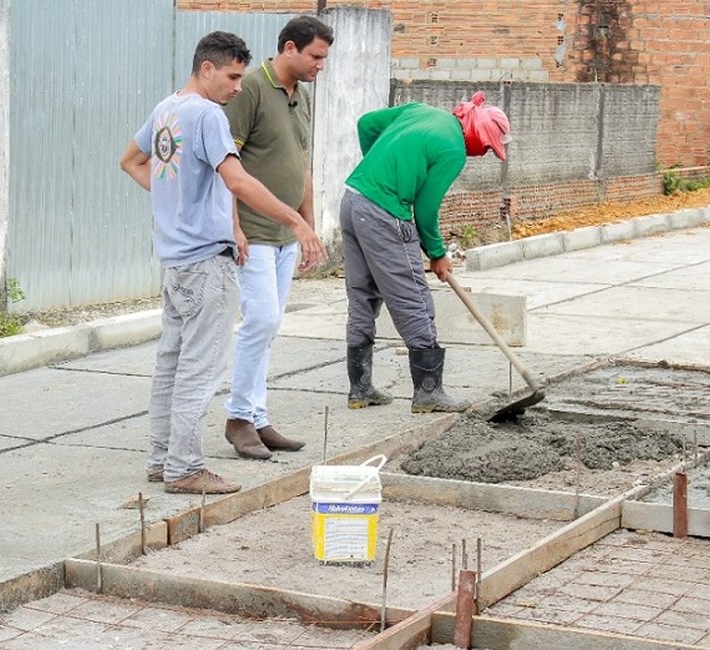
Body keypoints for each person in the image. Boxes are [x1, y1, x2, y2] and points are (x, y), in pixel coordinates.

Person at [119, 31, 326, 495]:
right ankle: (185, 468)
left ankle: (161, 460)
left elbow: (131, 161)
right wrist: (296, 220)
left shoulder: (165, 109)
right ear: (206, 69)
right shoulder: (208, 115)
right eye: (232, 76)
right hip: (206, 264)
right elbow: (237, 179)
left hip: (173, 263)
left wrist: (177, 202)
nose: (238, 86)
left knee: (170, 365)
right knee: (200, 369)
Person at [340, 91, 511, 413]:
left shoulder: (420, 111)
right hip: (385, 212)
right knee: (413, 298)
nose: (484, 152)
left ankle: (360, 390)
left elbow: (366, 124)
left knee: (362, 296)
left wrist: (379, 168)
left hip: (352, 200)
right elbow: (426, 208)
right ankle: (428, 391)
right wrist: (437, 252)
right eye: (488, 146)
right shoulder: (453, 149)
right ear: (478, 133)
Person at [221, 16, 334, 460]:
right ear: (290, 48)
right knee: (261, 322)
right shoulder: (249, 88)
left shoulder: (300, 97)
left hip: (287, 236)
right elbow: (224, 162)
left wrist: (308, 227)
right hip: (254, 232)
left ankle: (258, 416)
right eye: (315, 56)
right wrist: (233, 227)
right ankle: (237, 418)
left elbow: (301, 163)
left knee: (269, 330)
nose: (320, 65)